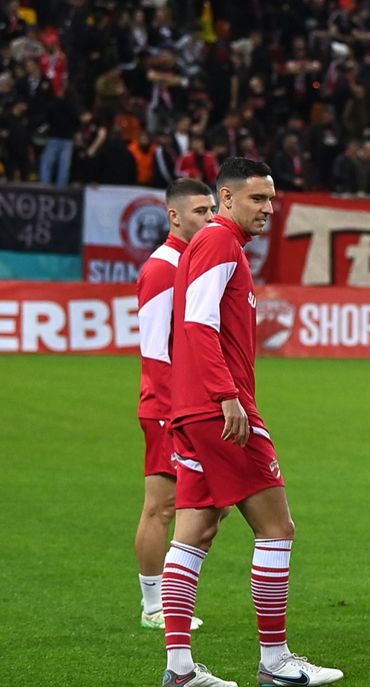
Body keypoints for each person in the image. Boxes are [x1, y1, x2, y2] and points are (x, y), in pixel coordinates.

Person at [162, 158, 343, 687]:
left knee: (196, 530)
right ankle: (276, 660)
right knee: (276, 528)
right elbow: (197, 322)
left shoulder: (213, 245)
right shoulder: (220, 242)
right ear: (226, 198)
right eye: (258, 199)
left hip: (192, 409)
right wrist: (226, 396)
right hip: (219, 408)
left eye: (272, 199)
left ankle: (179, 668)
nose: (268, 208)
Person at [135, 178, 216, 631]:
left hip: (185, 405)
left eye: (210, 210)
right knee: (162, 507)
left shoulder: (189, 262)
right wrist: (172, 408)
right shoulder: (164, 267)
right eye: (200, 211)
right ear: (174, 216)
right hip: (167, 407)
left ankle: (168, 597)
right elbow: (155, 350)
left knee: (205, 505)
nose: (208, 219)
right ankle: (153, 606)